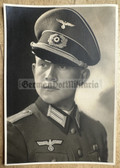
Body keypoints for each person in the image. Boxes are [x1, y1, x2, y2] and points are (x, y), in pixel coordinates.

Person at [7, 8, 108, 163]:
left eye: (62, 66)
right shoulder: (13, 131)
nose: (49, 76)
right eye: (43, 65)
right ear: (34, 71)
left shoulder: (97, 131)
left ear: (83, 77)